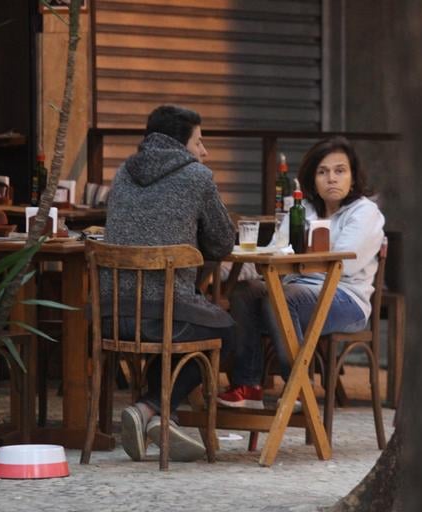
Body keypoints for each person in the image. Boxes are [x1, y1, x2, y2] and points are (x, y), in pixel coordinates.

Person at [104, 105, 235, 462]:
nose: (204, 152)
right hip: (164, 317)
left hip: (111, 317)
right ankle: (149, 409)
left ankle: (165, 417)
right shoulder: (196, 177)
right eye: (199, 142)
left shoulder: (121, 174)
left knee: (188, 324)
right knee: (225, 331)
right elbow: (223, 243)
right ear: (180, 144)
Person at [217, 136, 385, 409]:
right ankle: (248, 386)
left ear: (353, 178)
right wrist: (227, 267)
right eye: (323, 172)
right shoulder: (303, 209)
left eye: (340, 171)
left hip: (346, 299)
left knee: (281, 298)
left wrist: (295, 257)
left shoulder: (365, 212)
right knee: (245, 292)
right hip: (294, 291)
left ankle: (297, 387)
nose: (331, 178)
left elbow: (346, 264)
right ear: (312, 179)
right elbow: (274, 251)